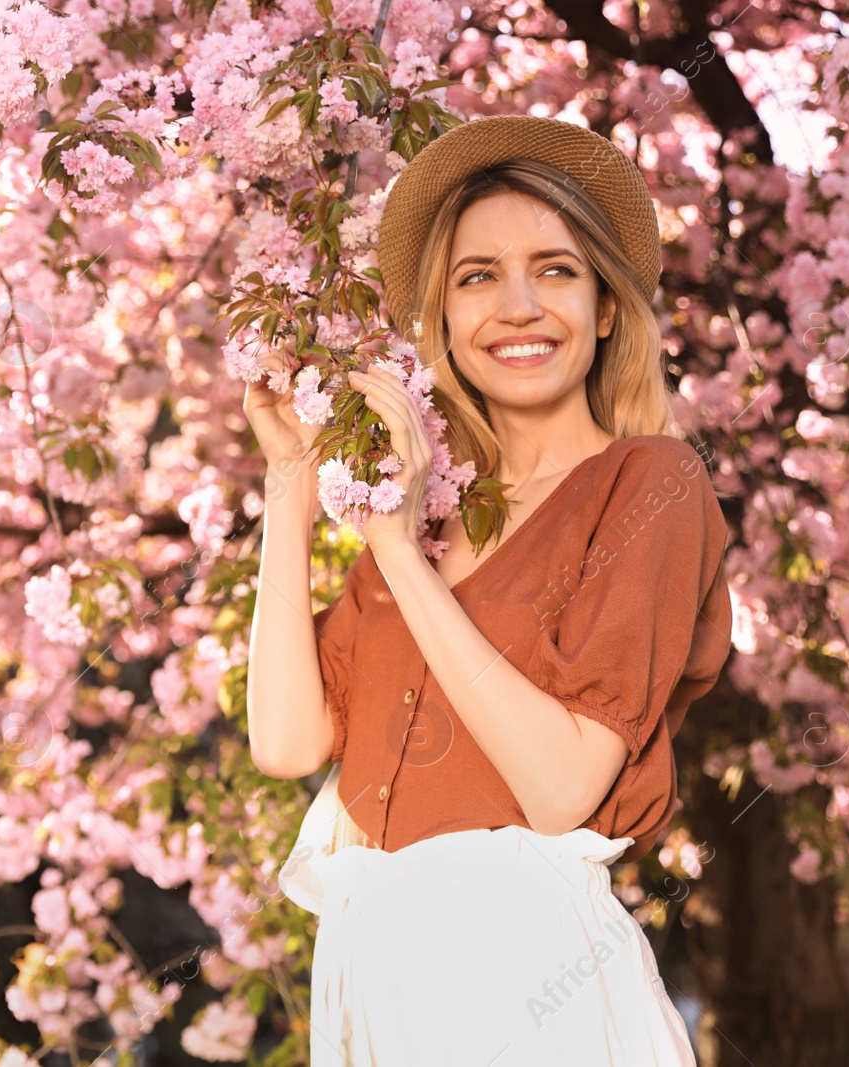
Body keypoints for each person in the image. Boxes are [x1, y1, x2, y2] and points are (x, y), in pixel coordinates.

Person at [243, 115, 734, 1065]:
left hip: (526, 976)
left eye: (554, 269)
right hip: (370, 975)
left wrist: (396, 554)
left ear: (604, 308)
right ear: (444, 324)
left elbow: (560, 788)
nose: (517, 306)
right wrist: (291, 487)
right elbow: (286, 742)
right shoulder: (425, 514)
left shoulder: (651, 485)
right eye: (478, 277)